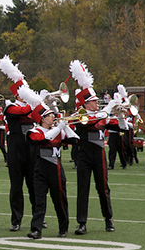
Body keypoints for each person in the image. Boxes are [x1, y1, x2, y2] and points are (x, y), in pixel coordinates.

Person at [70, 60, 114, 234]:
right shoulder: (80, 115)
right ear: (86, 104)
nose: (97, 104)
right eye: (94, 102)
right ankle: (82, 223)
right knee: (83, 188)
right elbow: (85, 125)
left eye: (97, 101)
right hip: (84, 155)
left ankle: (108, 219)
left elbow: (102, 123)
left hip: (99, 155)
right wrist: (97, 117)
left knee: (103, 187)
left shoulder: (101, 114)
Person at [26, 103, 78, 238]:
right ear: (42, 119)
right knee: (39, 201)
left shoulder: (58, 131)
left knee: (60, 199)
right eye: (50, 115)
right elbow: (43, 139)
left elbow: (75, 139)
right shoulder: (34, 131)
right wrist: (59, 128)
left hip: (56, 168)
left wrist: (64, 126)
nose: (53, 117)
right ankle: (36, 229)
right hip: (40, 169)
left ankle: (63, 227)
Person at [0, 56, 36, 232]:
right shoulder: (10, 106)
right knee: (16, 186)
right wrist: (36, 102)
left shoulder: (32, 106)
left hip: (31, 148)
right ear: (17, 94)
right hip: (15, 149)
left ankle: (38, 216)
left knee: (34, 184)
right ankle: (16, 219)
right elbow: (22, 111)